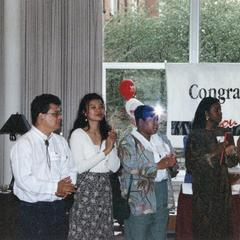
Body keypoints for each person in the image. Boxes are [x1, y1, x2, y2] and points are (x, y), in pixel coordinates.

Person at [11, 93, 77, 240]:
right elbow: (24, 180)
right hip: (33, 212)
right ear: (41, 116)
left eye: (60, 113)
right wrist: (55, 188)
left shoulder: (60, 141)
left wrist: (67, 187)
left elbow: (71, 168)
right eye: (56, 113)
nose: (60, 117)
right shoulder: (24, 144)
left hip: (59, 208)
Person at [118, 105, 176, 240]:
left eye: (157, 120)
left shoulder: (162, 138)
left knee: (159, 234)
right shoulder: (128, 141)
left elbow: (171, 163)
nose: (156, 124)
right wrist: (159, 165)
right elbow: (130, 166)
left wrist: (172, 164)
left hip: (162, 191)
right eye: (152, 120)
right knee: (138, 233)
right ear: (140, 122)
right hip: (139, 195)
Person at [185, 97, 240, 240]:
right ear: (206, 114)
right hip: (204, 193)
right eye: (217, 110)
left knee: (223, 230)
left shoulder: (225, 133)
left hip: (222, 191)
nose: (220, 113)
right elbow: (192, 165)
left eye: (221, 110)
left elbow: (231, 163)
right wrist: (219, 151)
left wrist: (236, 152)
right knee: (205, 230)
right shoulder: (195, 135)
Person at [68, 93, 120, 240]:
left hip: (104, 187)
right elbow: (79, 167)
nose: (99, 110)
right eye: (93, 107)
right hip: (86, 189)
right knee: (84, 232)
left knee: (103, 230)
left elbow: (115, 167)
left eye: (101, 107)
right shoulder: (78, 134)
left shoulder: (107, 134)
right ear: (85, 112)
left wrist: (111, 146)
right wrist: (105, 151)